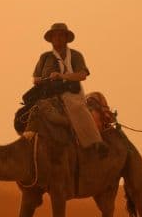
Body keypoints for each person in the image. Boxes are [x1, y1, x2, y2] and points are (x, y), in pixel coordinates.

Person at [32, 22, 107, 154]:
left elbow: (82, 75)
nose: (58, 38)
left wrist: (61, 76)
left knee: (77, 107)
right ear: (51, 39)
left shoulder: (75, 56)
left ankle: (95, 142)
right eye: (55, 36)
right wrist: (46, 79)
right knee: (29, 113)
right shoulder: (45, 57)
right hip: (49, 95)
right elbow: (35, 79)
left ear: (66, 38)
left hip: (71, 93)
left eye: (61, 35)